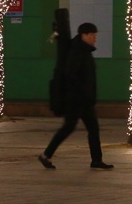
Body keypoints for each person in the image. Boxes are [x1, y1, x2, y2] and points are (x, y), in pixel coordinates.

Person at [39, 22, 114, 170]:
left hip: (85, 101)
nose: (94, 38)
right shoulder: (77, 52)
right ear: (83, 35)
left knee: (93, 129)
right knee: (68, 128)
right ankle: (46, 155)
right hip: (76, 100)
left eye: (95, 35)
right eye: (92, 35)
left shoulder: (85, 51)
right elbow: (71, 75)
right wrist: (82, 93)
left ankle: (96, 160)